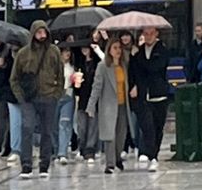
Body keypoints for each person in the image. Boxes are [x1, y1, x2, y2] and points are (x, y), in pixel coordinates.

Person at [10, 21, 64, 178]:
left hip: (49, 97)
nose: (42, 35)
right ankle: (26, 165)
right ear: (33, 34)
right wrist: (21, 98)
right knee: (27, 128)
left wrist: (56, 94)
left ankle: (44, 165)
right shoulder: (23, 54)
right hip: (29, 99)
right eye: (39, 33)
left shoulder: (54, 52)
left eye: (44, 32)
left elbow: (60, 75)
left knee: (47, 131)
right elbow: (14, 79)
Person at [87, 37, 132, 173]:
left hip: (123, 104)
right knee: (109, 135)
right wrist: (91, 105)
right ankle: (110, 163)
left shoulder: (124, 65)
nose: (118, 51)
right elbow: (97, 86)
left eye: (119, 48)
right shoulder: (103, 66)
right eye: (115, 48)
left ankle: (117, 158)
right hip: (108, 105)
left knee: (121, 134)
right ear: (109, 50)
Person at [130, 25, 171, 171]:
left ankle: (155, 155)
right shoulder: (138, 53)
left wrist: (138, 58)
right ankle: (150, 154)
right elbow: (134, 71)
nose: (148, 36)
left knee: (158, 126)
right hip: (143, 96)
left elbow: (154, 68)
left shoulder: (162, 50)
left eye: (151, 33)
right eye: (145, 34)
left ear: (156, 34)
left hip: (159, 94)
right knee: (147, 127)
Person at [73, 41, 99, 162]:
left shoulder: (97, 63)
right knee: (82, 126)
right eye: (82, 47)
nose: (84, 50)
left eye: (86, 47)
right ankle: (82, 147)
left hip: (94, 97)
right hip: (82, 97)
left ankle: (90, 150)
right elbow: (75, 85)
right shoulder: (78, 64)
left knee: (93, 125)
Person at [55, 46, 78, 163]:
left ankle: (62, 152)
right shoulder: (54, 66)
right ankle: (54, 150)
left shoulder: (73, 67)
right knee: (53, 124)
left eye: (69, 51)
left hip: (68, 94)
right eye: (64, 51)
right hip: (55, 95)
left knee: (64, 123)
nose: (67, 53)